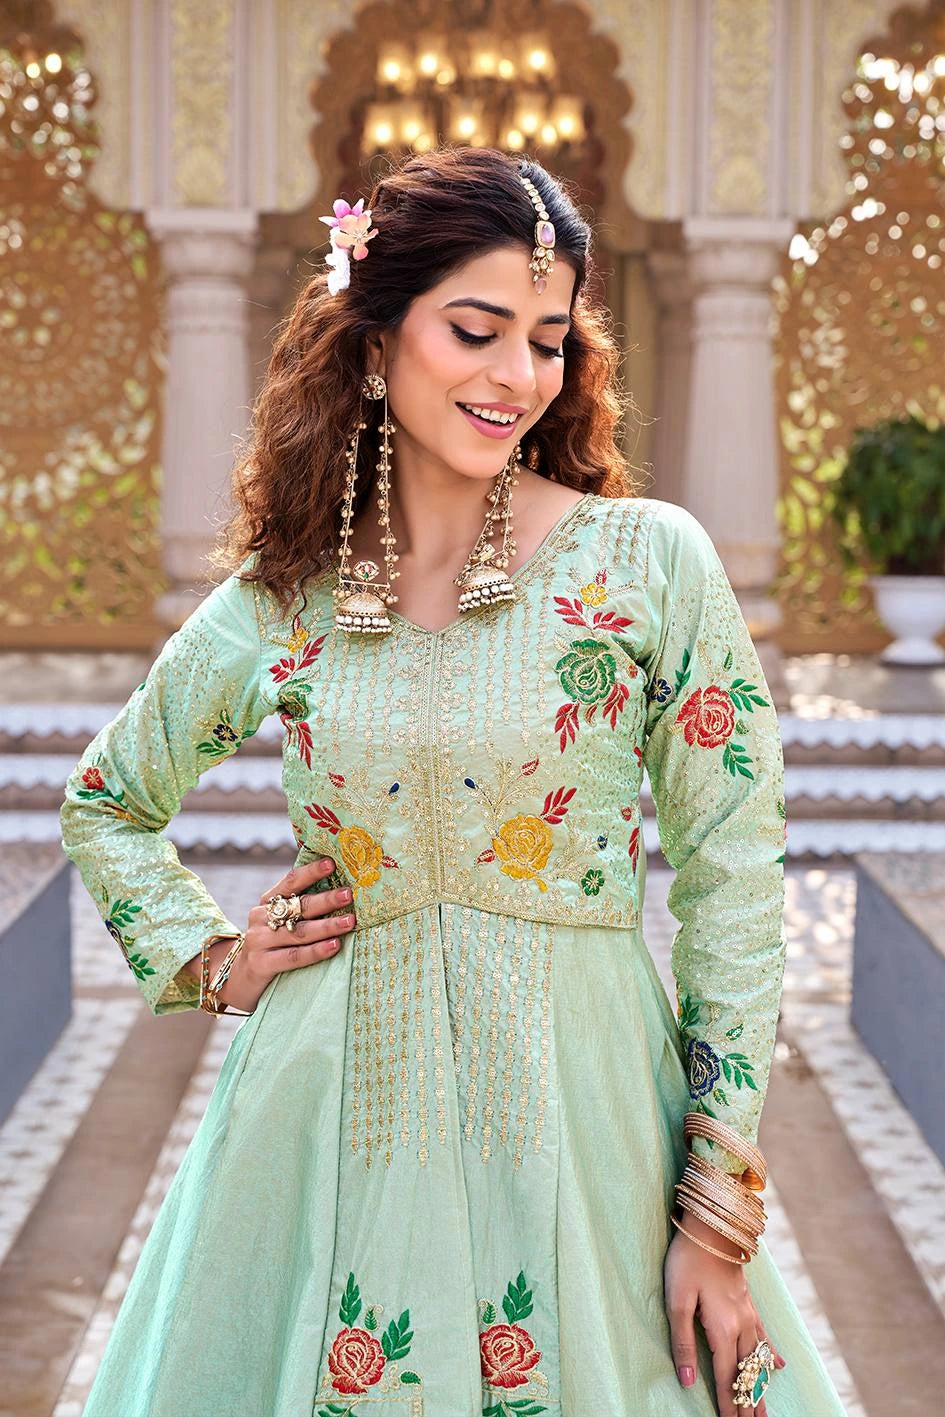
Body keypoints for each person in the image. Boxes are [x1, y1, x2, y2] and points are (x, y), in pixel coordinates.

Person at [59, 146, 848, 1416]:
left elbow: (736, 877)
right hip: (326, 1117)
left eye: (546, 339)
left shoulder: (645, 565)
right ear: (373, 343)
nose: (516, 376)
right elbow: (106, 799)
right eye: (476, 330)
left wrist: (716, 1211)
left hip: (582, 1115)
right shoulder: (283, 599)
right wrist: (216, 959)